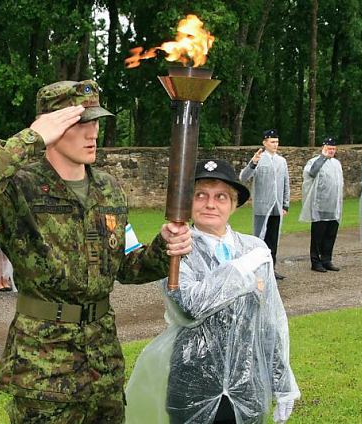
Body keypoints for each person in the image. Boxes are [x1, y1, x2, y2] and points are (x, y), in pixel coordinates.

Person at [0, 79, 191, 423]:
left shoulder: (108, 188)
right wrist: (29, 139)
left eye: (96, 122)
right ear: (52, 127)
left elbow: (127, 266)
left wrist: (165, 248)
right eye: (80, 123)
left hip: (102, 363)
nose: (93, 133)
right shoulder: (19, 186)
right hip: (44, 368)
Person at [125, 159, 299, 424]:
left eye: (221, 197)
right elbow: (189, 306)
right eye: (200, 195)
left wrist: (282, 381)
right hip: (192, 381)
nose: (210, 204)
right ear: (187, 202)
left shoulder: (253, 249)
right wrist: (241, 270)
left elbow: (269, 321)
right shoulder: (174, 249)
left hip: (247, 382)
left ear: (233, 204)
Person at [239, 129, 290, 280]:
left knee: (273, 240)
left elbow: (286, 183)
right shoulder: (259, 159)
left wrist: (285, 204)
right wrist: (253, 163)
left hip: (277, 207)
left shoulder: (282, 161)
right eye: (272, 142)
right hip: (262, 206)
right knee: (259, 239)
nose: (275, 144)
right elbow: (243, 177)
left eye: (277, 142)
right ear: (265, 143)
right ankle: (258, 270)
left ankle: (271, 269)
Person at [300, 137, 343, 272]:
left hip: (333, 205)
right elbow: (311, 173)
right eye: (329, 148)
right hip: (320, 205)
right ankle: (316, 261)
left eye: (333, 149)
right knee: (318, 236)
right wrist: (322, 158)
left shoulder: (337, 163)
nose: (331, 151)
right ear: (323, 147)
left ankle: (327, 259)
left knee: (330, 235)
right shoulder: (314, 161)